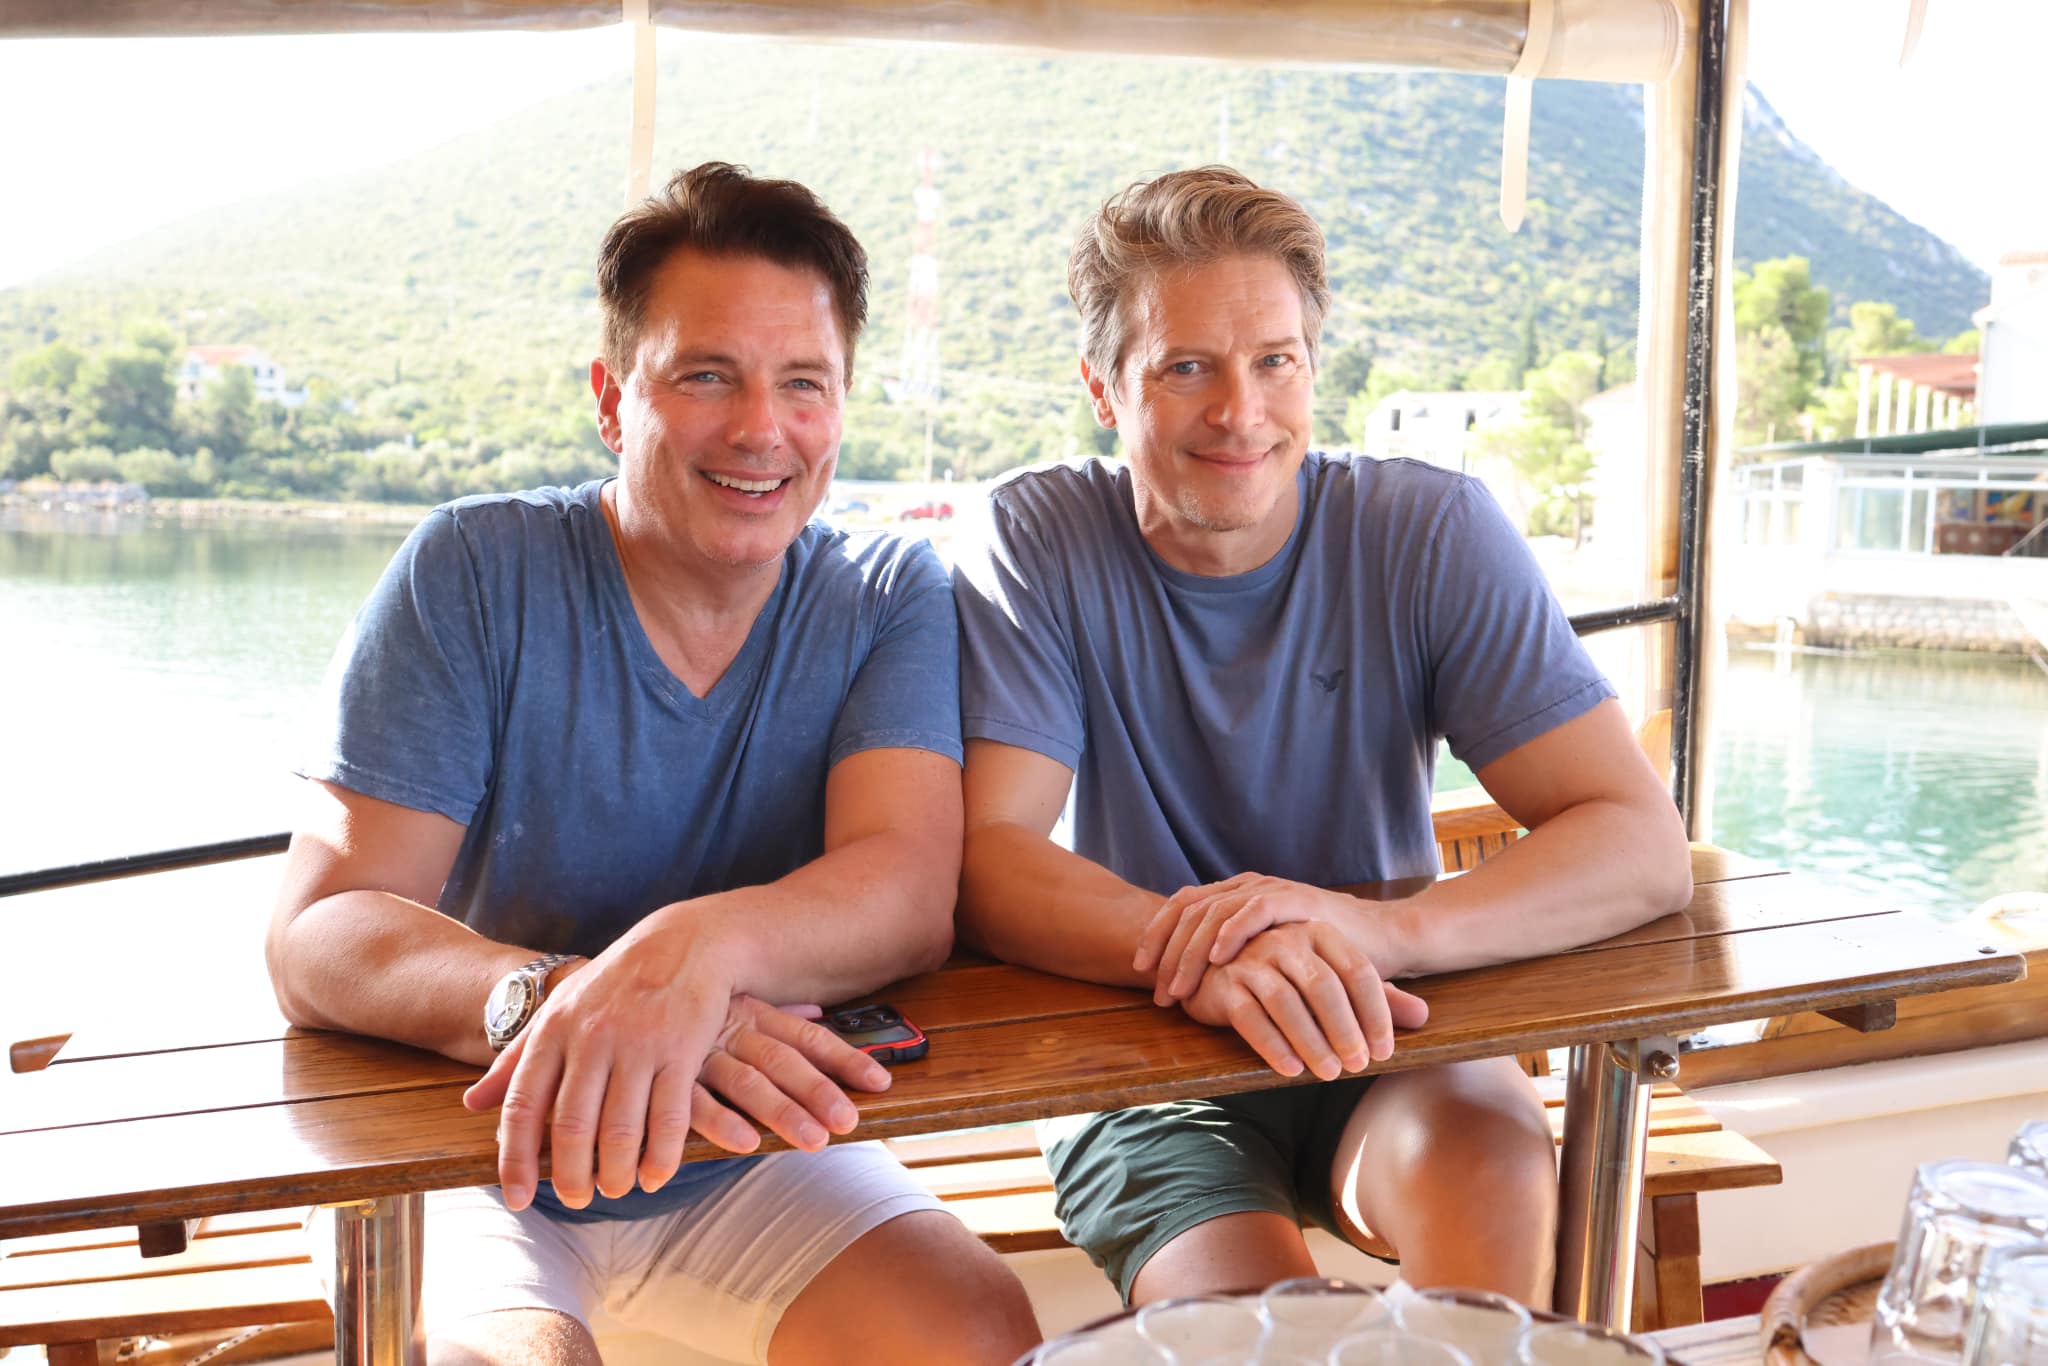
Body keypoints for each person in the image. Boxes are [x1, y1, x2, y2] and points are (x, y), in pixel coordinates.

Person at [266, 162, 1038, 1366]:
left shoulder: (885, 593)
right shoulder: (472, 572)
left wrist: (692, 961)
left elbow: (903, 890)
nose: (758, 429)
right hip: (473, 1135)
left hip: (739, 1142)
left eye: (802, 385)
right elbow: (322, 932)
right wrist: (569, 999)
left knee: (975, 1332)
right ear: (611, 398)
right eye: (705, 376)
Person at [952, 166, 1693, 1310]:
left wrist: (1371, 932)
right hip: (1143, 1054)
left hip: (1387, 1020)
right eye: (1184, 365)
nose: (1238, 412)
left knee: (1495, 1183)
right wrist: (1205, 949)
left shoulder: (1428, 529)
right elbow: (988, 857)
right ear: (1103, 386)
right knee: (1252, 1329)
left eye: (1273, 362)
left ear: (1312, 367)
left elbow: (1639, 844)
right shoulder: (1035, 535)